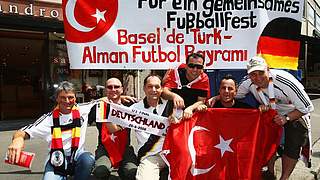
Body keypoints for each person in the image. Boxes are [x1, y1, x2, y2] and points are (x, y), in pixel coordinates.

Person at [212, 56, 314, 180]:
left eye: (261, 73)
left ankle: (284, 177)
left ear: (268, 69)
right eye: (253, 74)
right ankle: (270, 172)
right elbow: (233, 93)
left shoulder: (285, 81)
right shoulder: (247, 82)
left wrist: (286, 118)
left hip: (293, 113)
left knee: (293, 142)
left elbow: (307, 106)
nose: (258, 77)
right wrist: (216, 98)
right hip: (271, 113)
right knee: (265, 139)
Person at [7, 81, 96, 180]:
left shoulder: (83, 109)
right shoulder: (48, 119)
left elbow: (105, 101)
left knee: (88, 160)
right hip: (57, 157)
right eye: (63, 97)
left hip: (78, 154)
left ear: (75, 98)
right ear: (57, 98)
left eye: (70, 97)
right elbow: (22, 132)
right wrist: (17, 140)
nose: (67, 101)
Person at [90, 78, 137, 180]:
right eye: (110, 87)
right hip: (105, 147)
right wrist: (97, 101)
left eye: (116, 87)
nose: (113, 89)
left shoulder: (130, 105)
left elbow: (151, 102)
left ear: (122, 89)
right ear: (105, 90)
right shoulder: (98, 106)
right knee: (100, 171)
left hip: (125, 147)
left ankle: (123, 170)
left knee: (132, 172)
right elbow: (78, 112)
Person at [132, 74, 174, 180]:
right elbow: (116, 126)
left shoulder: (172, 105)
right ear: (144, 88)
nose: (154, 90)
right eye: (150, 86)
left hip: (173, 153)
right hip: (150, 155)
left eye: (157, 87)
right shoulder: (134, 109)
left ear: (162, 89)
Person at [162, 52, 210, 119]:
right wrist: (174, 96)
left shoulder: (204, 78)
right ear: (186, 66)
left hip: (191, 114)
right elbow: (164, 93)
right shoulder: (176, 72)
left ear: (202, 68)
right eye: (191, 66)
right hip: (171, 113)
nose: (195, 70)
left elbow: (201, 100)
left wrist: (190, 108)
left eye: (199, 67)